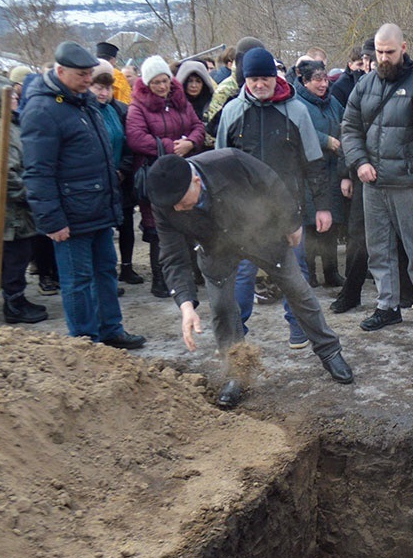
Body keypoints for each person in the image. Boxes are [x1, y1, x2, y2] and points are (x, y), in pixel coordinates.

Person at [146, 151, 354, 408]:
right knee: (222, 308)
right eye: (172, 206)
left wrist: (292, 223)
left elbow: (272, 183)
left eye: (181, 202)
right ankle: (236, 373)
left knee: (298, 290)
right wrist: (186, 305)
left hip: (262, 236)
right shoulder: (165, 202)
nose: (178, 209)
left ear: (196, 181)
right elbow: (173, 256)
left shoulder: (229, 162)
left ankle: (330, 351)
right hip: (215, 249)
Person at [20, 42, 145, 349]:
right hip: (70, 217)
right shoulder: (42, 110)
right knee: (77, 282)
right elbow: (37, 171)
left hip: (98, 208)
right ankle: (84, 343)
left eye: (90, 73)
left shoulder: (85, 103)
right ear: (60, 71)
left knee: (105, 272)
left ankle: (110, 330)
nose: (88, 80)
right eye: (81, 74)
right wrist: (52, 220)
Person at [215, 46, 329, 349]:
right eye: (253, 79)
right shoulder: (232, 112)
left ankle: (300, 327)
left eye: (265, 78)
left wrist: (322, 207)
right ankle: (238, 333)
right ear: (244, 80)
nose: (260, 84)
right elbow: (218, 165)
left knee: (295, 270)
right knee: (242, 274)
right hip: (244, 214)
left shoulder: (296, 111)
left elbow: (314, 163)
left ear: (275, 77)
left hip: (287, 210)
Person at [339, 23, 413, 332]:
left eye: (389, 51)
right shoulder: (364, 85)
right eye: (378, 51)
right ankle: (387, 306)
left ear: (403, 47)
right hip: (373, 185)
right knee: (379, 249)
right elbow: (349, 128)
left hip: (409, 184)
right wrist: (359, 162)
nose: (383, 58)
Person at [127, 55, 206, 298]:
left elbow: (198, 126)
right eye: (156, 83)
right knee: (158, 226)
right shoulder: (137, 106)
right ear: (147, 84)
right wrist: (171, 146)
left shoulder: (180, 100)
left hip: (184, 169)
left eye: (165, 81)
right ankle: (161, 278)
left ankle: (193, 273)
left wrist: (191, 142)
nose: (162, 87)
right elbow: (136, 137)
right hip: (157, 171)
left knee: (189, 219)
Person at [0, 75, 49, 323]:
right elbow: (4, 173)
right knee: (16, 256)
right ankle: (14, 305)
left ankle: (17, 299)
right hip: (9, 211)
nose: (16, 99)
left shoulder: (3, 122)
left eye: (15, 95)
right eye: (10, 96)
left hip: (13, 207)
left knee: (19, 254)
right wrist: (29, 194)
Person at [90, 61, 142, 289]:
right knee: (103, 233)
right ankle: (104, 277)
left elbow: (128, 143)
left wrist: (122, 169)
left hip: (121, 179)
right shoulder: (87, 113)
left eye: (107, 88)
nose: (104, 93)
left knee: (127, 224)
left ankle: (127, 267)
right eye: (98, 88)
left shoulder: (118, 111)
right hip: (97, 183)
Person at [295, 59, 346, 288]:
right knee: (311, 223)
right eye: (317, 79)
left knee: (331, 223)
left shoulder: (333, 102)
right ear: (304, 81)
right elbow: (298, 130)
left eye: (325, 79)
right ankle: (310, 273)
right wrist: (326, 141)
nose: (323, 84)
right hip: (308, 171)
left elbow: (346, 123)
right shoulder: (296, 104)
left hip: (333, 169)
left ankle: (331, 270)